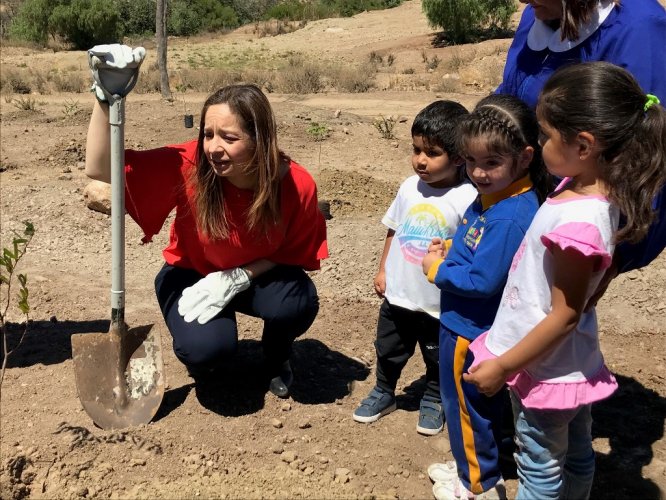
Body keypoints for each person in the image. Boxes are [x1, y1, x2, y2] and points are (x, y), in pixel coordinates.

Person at [463, 62, 666, 499]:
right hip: (568, 362)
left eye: (545, 134)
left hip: (542, 366)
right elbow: (597, 278)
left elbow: (565, 314)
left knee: (538, 465)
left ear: (584, 145)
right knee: (575, 451)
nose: (538, 143)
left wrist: (503, 366)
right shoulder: (595, 189)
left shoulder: (578, 219)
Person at [85, 52, 328, 399]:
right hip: (189, 274)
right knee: (207, 351)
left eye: (229, 138)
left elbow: (293, 253)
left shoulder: (295, 184)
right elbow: (98, 167)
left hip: (252, 277)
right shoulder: (189, 164)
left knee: (298, 302)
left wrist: (239, 277)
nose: (213, 147)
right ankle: (210, 357)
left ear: (260, 139)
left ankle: (275, 359)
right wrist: (104, 98)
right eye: (208, 134)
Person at [421, 93, 551, 499]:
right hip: (473, 325)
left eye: (491, 163)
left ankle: (476, 485)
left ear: (525, 157)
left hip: (468, 328)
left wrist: (437, 269)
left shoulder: (510, 215)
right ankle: (475, 466)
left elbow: (482, 280)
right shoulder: (499, 198)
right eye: (472, 161)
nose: (478, 172)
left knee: (465, 407)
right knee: (477, 406)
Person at [497, 0, 666, 277]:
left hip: (570, 231)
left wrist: (616, 258)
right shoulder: (539, 13)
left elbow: (646, 148)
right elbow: (512, 95)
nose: (522, 2)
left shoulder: (640, 27)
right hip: (512, 211)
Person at [352, 101, 477, 435]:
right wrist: (383, 270)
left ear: (459, 157)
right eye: (416, 149)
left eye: (432, 153)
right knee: (389, 347)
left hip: (439, 302)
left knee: (438, 356)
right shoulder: (409, 187)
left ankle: (435, 396)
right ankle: (384, 390)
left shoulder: (466, 198)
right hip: (399, 294)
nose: (421, 160)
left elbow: (469, 249)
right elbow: (394, 229)